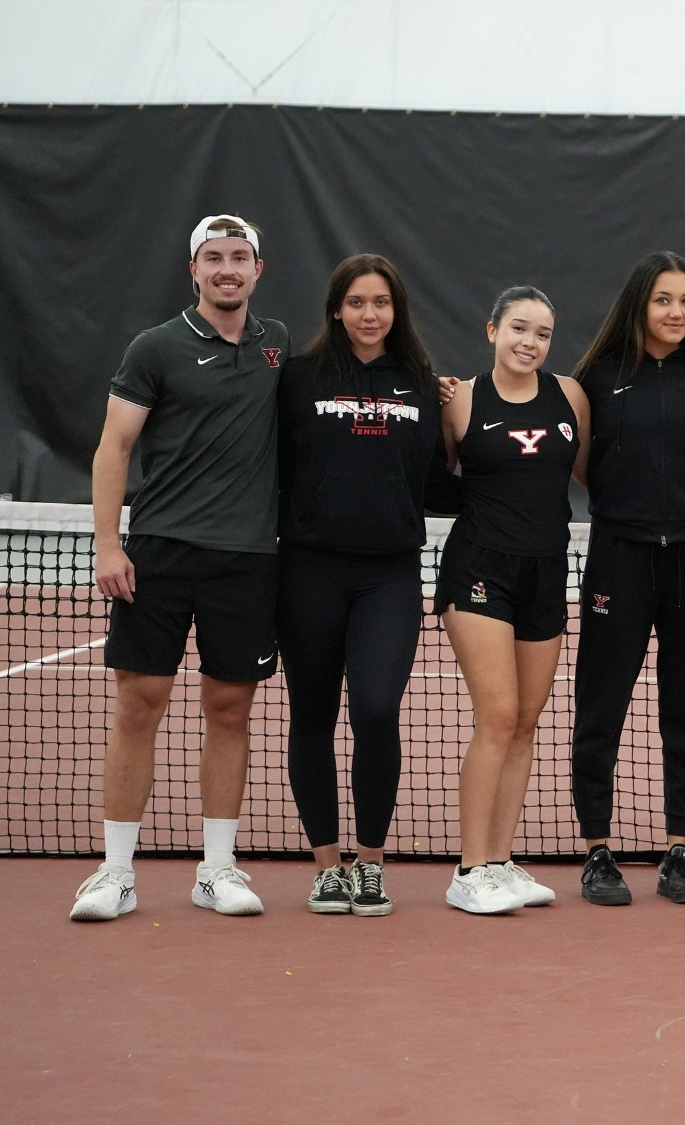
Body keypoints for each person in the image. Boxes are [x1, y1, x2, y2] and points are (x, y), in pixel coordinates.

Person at [72, 215, 289, 922]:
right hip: (159, 554)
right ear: (193, 271)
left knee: (230, 711)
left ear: (260, 268)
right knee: (139, 706)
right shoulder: (155, 348)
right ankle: (115, 874)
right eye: (213, 258)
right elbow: (114, 447)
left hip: (248, 559)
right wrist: (109, 542)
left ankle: (217, 870)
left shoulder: (280, 348)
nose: (227, 269)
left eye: (239, 257)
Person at [568, 252, 685, 907]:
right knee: (601, 708)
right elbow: (584, 463)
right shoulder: (597, 376)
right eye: (663, 300)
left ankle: (679, 850)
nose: (677, 312)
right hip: (619, 555)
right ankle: (596, 851)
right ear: (639, 304)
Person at [277, 253, 456, 917]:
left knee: (377, 708)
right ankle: (327, 865)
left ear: (397, 311)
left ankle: (371, 862)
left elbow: (439, 484)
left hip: (390, 575)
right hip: (308, 571)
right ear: (335, 309)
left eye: (381, 302)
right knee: (313, 716)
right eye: (357, 302)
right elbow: (276, 468)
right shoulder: (297, 380)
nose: (370, 314)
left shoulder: (421, 383)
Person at [434, 286, 590, 914]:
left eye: (543, 333)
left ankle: (499, 859)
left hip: (548, 572)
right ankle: (468, 870)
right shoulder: (461, 399)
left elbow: (597, 470)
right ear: (492, 330)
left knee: (525, 720)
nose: (530, 342)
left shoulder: (570, 397)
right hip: (479, 571)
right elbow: (433, 478)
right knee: (497, 715)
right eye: (519, 328)